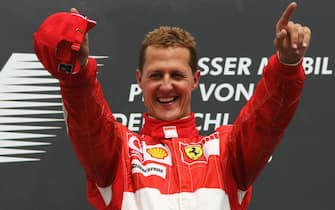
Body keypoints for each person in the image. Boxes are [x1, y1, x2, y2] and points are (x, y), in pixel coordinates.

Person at [33, 2, 311, 210]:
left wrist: (286, 66)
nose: (166, 85)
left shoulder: (226, 150)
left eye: (177, 75)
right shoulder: (120, 152)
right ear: (140, 80)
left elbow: (267, 119)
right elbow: (87, 122)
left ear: (195, 80)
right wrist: (76, 73)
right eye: (156, 75)